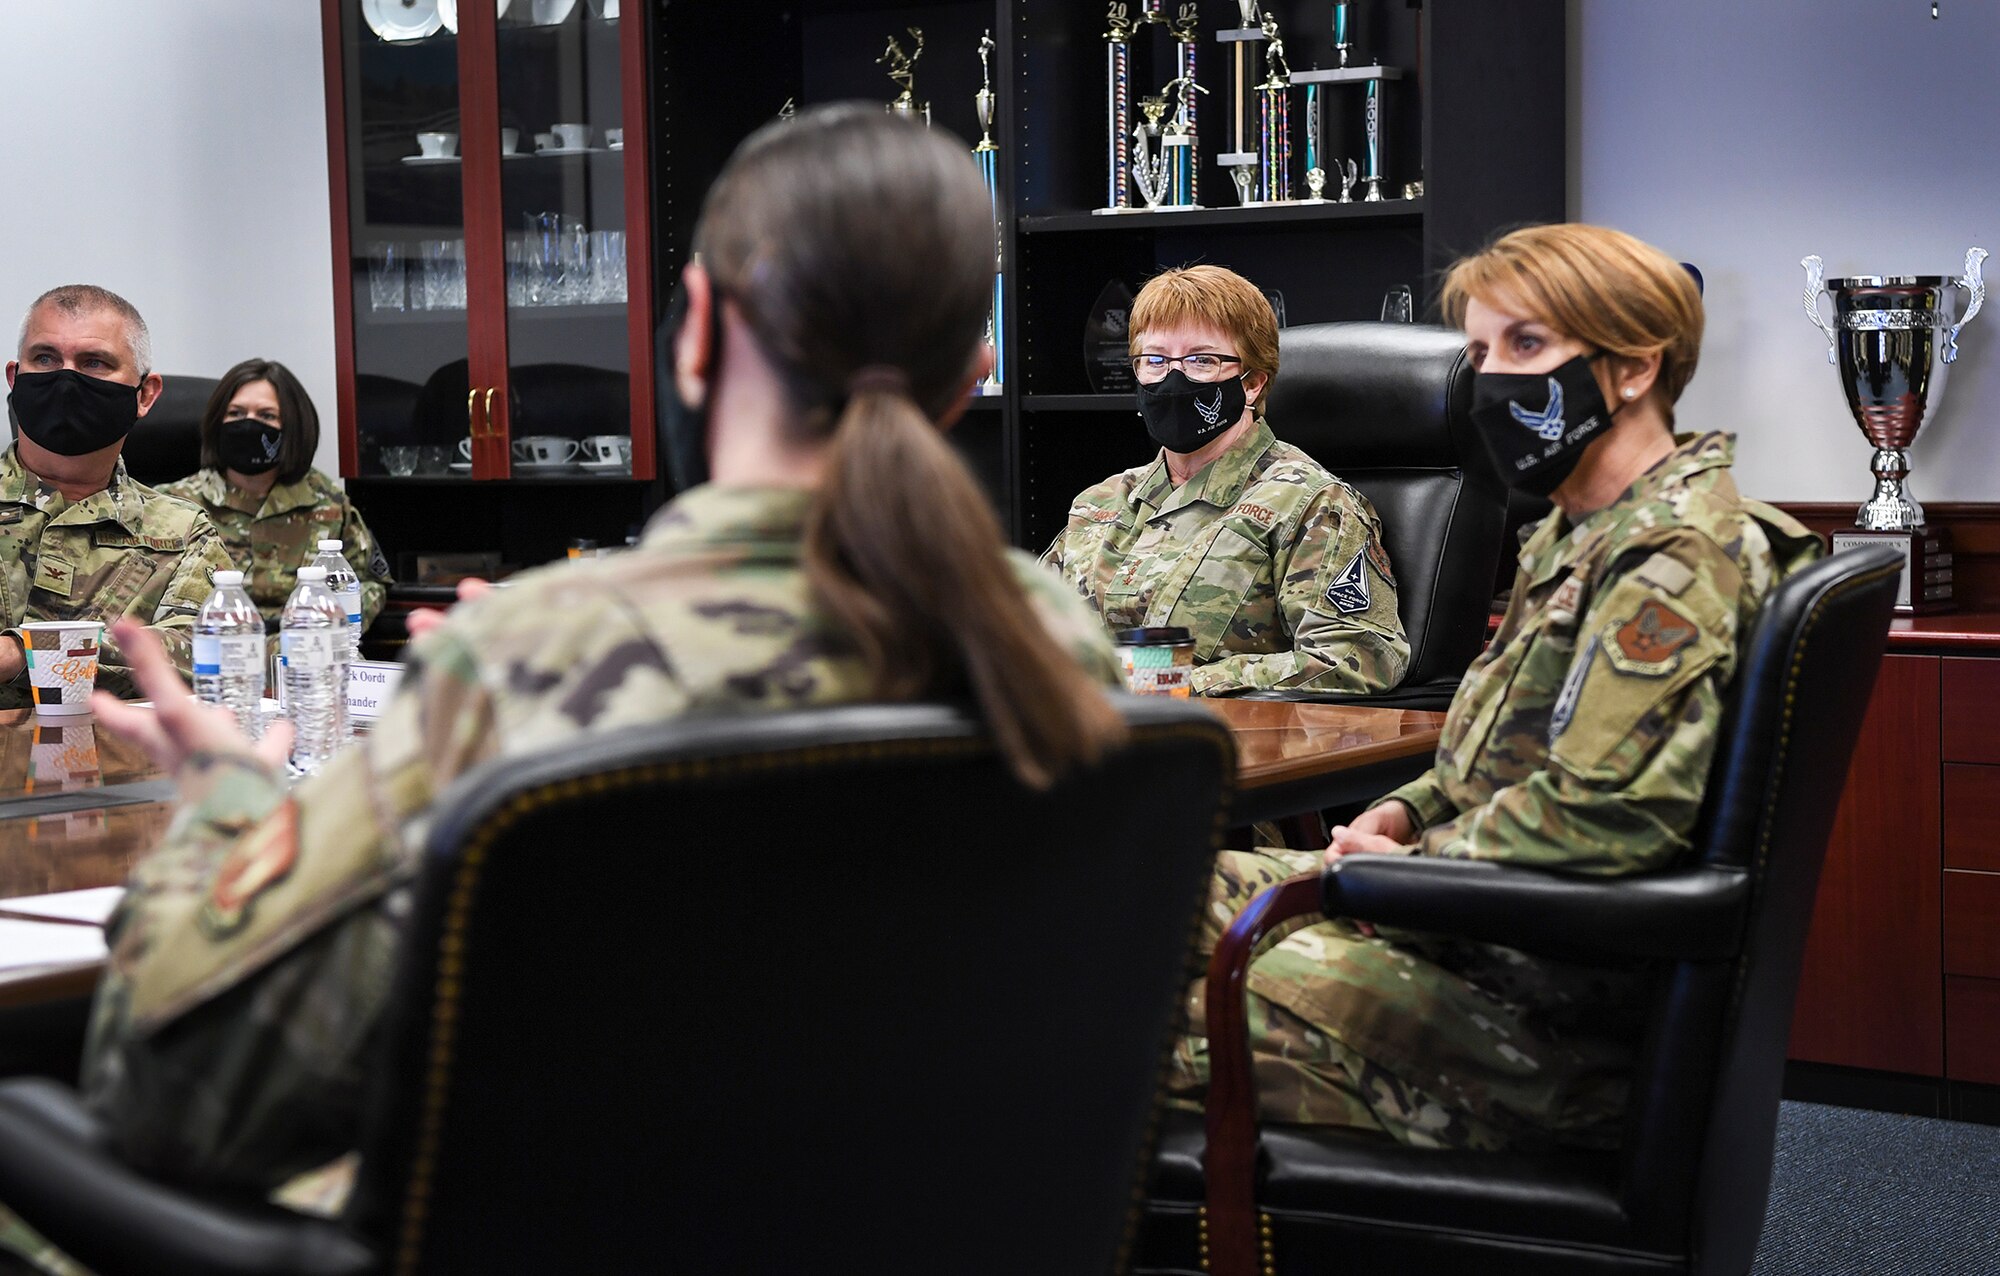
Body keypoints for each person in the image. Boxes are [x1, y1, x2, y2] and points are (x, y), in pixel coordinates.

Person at [0, 107, 1125, 1272]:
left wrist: (229, 798)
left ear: (694, 337)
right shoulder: (1044, 639)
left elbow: (182, 1095)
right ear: (974, 367)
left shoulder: (531, 657)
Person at [1169, 224, 1822, 1150]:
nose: (1493, 380)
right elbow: (1507, 751)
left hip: (1527, 1013)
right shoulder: (1580, 530)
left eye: (1528, 346)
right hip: (1471, 932)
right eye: (1480, 351)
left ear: (1633, 367)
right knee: (1140, 889)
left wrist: (1412, 872)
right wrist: (1407, 809)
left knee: (1096, 1020)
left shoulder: (1671, 561)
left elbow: (1603, 819)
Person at [1040, 264, 1408, 696]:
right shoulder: (1099, 503)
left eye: (1201, 360)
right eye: (1154, 360)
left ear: (1251, 383)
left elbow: (1359, 656)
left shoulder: (1308, 502)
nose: (1173, 379)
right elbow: (1024, 635)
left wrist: (1172, 678)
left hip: (1227, 745)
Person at [0, 285, 236, 703]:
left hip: (119, 763)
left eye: (94, 363)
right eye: (46, 358)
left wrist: (26, 655)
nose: (65, 378)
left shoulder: (183, 534)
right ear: (15, 379)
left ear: (145, 394)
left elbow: (205, 657)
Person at [160, 358, 392, 631]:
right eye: (236, 413)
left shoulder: (327, 503)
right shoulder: (174, 505)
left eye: (267, 416)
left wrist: (328, 625)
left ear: (293, 428)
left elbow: (369, 583)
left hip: (304, 651)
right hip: (212, 654)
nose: (249, 424)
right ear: (216, 422)